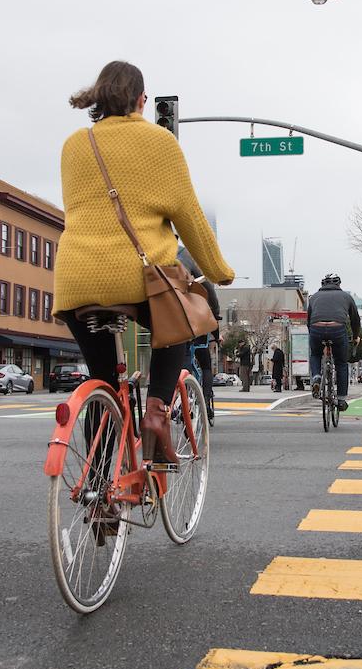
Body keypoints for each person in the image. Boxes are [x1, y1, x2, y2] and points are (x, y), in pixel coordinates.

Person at [54, 61, 233, 467]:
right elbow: (189, 217)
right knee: (182, 326)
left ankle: (99, 490)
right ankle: (155, 415)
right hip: (139, 276)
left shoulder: (73, 144)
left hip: (76, 279)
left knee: (101, 379)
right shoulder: (160, 141)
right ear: (140, 100)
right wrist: (219, 271)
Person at [307, 273, 361, 412]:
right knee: (341, 363)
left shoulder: (313, 297)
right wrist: (355, 336)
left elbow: (309, 320)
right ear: (338, 284)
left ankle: (317, 378)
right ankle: (342, 399)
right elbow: (355, 320)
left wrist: (314, 335)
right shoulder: (346, 297)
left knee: (315, 354)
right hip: (337, 329)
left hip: (316, 328)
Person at [177, 241, 220, 414]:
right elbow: (209, 288)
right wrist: (216, 315)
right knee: (206, 365)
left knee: (178, 358)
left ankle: (176, 399)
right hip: (194, 324)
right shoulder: (186, 255)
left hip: (168, 322)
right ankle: (206, 397)